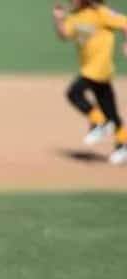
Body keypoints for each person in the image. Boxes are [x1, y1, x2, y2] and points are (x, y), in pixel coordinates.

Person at [52, 0, 127, 164]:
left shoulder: (100, 12)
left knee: (74, 92)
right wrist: (58, 19)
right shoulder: (74, 16)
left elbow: (125, 23)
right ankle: (123, 144)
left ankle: (99, 122)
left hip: (100, 67)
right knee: (110, 109)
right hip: (89, 67)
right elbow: (64, 34)